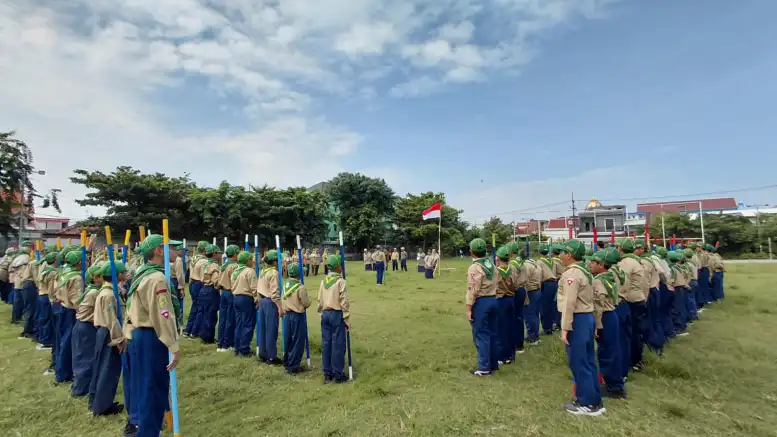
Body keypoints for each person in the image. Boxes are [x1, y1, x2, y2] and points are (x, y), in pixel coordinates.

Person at [124, 235, 181, 437]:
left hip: (138, 334)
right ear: (159, 250)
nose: (177, 251)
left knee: (143, 386)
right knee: (153, 389)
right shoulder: (157, 278)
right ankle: (148, 432)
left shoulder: (142, 272)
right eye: (171, 247)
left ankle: (143, 425)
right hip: (152, 336)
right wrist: (173, 346)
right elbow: (162, 315)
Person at [557, 240, 604, 416]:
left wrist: (565, 327)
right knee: (589, 361)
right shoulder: (584, 271)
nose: (560, 255)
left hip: (577, 318)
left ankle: (587, 403)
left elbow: (570, 302)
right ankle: (594, 399)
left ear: (569, 255)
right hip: (586, 317)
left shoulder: (573, 274)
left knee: (579, 362)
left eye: (562, 252)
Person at [586, 248, 626, 399]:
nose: (590, 263)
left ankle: (614, 387)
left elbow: (598, 305)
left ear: (602, 265)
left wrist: (597, 325)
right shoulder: (611, 275)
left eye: (594, 262)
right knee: (612, 349)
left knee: (607, 352)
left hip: (604, 317)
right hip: (612, 314)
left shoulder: (598, 281)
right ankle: (614, 383)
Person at [90, 262, 128, 417]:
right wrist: (119, 339)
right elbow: (112, 319)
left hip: (107, 331)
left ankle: (101, 402)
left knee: (105, 368)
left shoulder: (111, 291)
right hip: (109, 333)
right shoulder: (108, 294)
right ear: (117, 275)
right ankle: (102, 406)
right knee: (107, 369)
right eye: (123, 272)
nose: (126, 273)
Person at [466, 238, 498, 376]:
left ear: (471, 252)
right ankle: (493, 363)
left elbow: (473, 288)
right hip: (493, 299)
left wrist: (468, 307)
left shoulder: (475, 267)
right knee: (492, 333)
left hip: (481, 302)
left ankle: (484, 367)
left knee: (481, 334)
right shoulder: (491, 263)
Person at [616, 238, 647, 378]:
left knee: (628, 334)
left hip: (630, 300)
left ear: (620, 249)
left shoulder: (626, 263)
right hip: (639, 298)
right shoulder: (637, 261)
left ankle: (630, 362)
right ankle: (636, 360)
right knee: (635, 332)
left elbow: (622, 282)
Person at [317, 254, 350, 383]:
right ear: (337, 267)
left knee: (326, 343)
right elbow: (344, 302)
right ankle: (338, 373)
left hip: (325, 314)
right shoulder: (340, 282)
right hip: (337, 314)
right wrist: (346, 319)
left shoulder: (323, 281)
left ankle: (327, 373)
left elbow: (320, 300)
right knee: (338, 344)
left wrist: (321, 313)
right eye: (340, 265)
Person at [72, 265, 103, 398]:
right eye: (101, 276)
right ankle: (81, 389)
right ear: (95, 279)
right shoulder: (95, 293)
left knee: (83, 356)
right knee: (86, 358)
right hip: (87, 326)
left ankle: (81, 385)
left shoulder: (91, 289)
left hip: (82, 325)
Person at [56, 250, 84, 383]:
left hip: (62, 306)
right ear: (78, 262)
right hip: (71, 311)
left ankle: (61, 369)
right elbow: (77, 298)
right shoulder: (76, 277)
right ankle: (64, 373)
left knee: (62, 340)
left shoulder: (64, 272)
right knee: (68, 342)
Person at [282, 263, 311, 374]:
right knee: (298, 341)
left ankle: (287, 361)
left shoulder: (285, 285)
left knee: (288, 339)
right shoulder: (300, 287)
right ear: (299, 274)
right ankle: (293, 366)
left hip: (287, 315)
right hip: (297, 316)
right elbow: (306, 303)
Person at [257, 250, 283, 365]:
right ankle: (272, 356)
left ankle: (263, 353)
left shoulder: (262, 271)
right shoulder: (274, 273)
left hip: (262, 300)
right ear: (275, 262)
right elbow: (275, 293)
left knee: (262, 329)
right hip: (270, 302)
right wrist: (280, 307)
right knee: (271, 330)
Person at [231, 251, 258, 357]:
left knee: (239, 324)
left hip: (236, 297)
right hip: (246, 299)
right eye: (251, 259)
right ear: (247, 261)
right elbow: (254, 287)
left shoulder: (235, 270)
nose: (253, 261)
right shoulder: (249, 271)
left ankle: (237, 347)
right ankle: (244, 349)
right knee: (248, 324)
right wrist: (257, 299)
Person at [494, 246, 517, 364]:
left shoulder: (496, 271)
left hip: (500, 300)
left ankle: (501, 356)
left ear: (498, 258)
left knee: (500, 328)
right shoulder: (512, 269)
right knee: (510, 327)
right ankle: (511, 354)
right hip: (511, 299)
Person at [183, 241, 208, 339]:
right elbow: (203, 276)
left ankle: (188, 329)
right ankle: (195, 331)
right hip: (199, 283)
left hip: (192, 282)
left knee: (194, 307)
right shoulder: (204, 261)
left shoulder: (194, 258)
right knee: (200, 308)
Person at [216, 245, 239, 352]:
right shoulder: (234, 266)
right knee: (231, 319)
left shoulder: (224, 265)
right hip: (231, 292)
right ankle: (227, 344)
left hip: (223, 292)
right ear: (234, 255)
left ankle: (220, 342)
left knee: (223, 318)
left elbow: (218, 281)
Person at [198, 244, 221, 344]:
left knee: (204, 313)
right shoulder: (215, 266)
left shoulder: (204, 264)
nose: (220, 255)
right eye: (219, 253)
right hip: (211, 290)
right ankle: (208, 338)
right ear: (214, 254)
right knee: (211, 315)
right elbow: (216, 280)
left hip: (203, 289)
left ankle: (203, 334)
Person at [36, 252, 58, 352]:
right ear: (55, 260)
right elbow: (51, 289)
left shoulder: (45, 269)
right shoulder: (52, 272)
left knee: (43, 318)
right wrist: (52, 300)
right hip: (47, 297)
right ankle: (45, 341)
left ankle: (42, 338)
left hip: (41, 295)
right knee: (47, 319)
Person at [507, 243, 527, 354]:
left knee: (513, 318)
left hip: (515, 291)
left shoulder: (511, 264)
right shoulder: (521, 262)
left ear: (510, 252)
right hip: (522, 289)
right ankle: (520, 344)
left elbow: (511, 281)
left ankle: (514, 343)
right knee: (519, 317)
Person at [667, 251, 690, 336]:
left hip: (676, 288)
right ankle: (683, 325)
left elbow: (671, 281)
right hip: (681, 287)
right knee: (681, 308)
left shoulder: (672, 268)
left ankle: (678, 328)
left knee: (675, 309)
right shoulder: (679, 267)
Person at [522, 253, 543, 345]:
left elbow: (525, 280)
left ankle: (532, 337)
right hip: (537, 290)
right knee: (535, 314)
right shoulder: (536, 264)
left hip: (531, 291)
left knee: (529, 315)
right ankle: (536, 335)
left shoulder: (526, 266)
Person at [537, 244, 558, 336]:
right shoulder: (552, 261)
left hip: (545, 284)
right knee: (552, 306)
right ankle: (552, 324)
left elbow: (539, 275)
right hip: (554, 283)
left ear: (539, 252)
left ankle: (546, 328)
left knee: (544, 307)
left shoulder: (539, 262)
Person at [550, 244, 566, 330]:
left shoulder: (553, 261)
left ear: (553, 252)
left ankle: (556, 322)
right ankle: (560, 321)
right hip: (562, 281)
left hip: (556, 282)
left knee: (555, 304)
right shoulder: (563, 261)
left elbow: (553, 273)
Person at [683, 248, 699, 323]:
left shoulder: (687, 264)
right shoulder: (692, 263)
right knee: (692, 298)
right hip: (694, 281)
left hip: (691, 281)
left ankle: (691, 315)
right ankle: (694, 314)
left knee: (689, 299)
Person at [173, 243, 186, 322]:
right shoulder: (178, 260)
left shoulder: (169, 258)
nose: (183, 252)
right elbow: (179, 274)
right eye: (182, 250)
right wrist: (181, 287)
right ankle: (178, 320)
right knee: (178, 303)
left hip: (170, 280)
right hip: (176, 282)